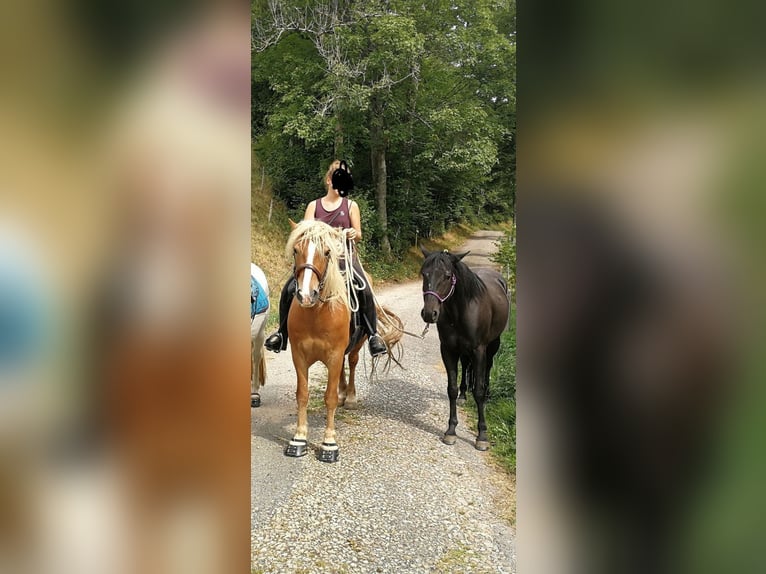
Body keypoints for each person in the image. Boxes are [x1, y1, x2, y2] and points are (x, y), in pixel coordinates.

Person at [264, 160, 387, 357]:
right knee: (289, 288)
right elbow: (305, 231)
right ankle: (281, 333)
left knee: (363, 286)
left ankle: (372, 335)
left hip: (343, 257)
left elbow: (359, 233)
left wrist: (352, 234)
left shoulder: (351, 206)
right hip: (318, 258)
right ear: (329, 180)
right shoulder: (314, 205)